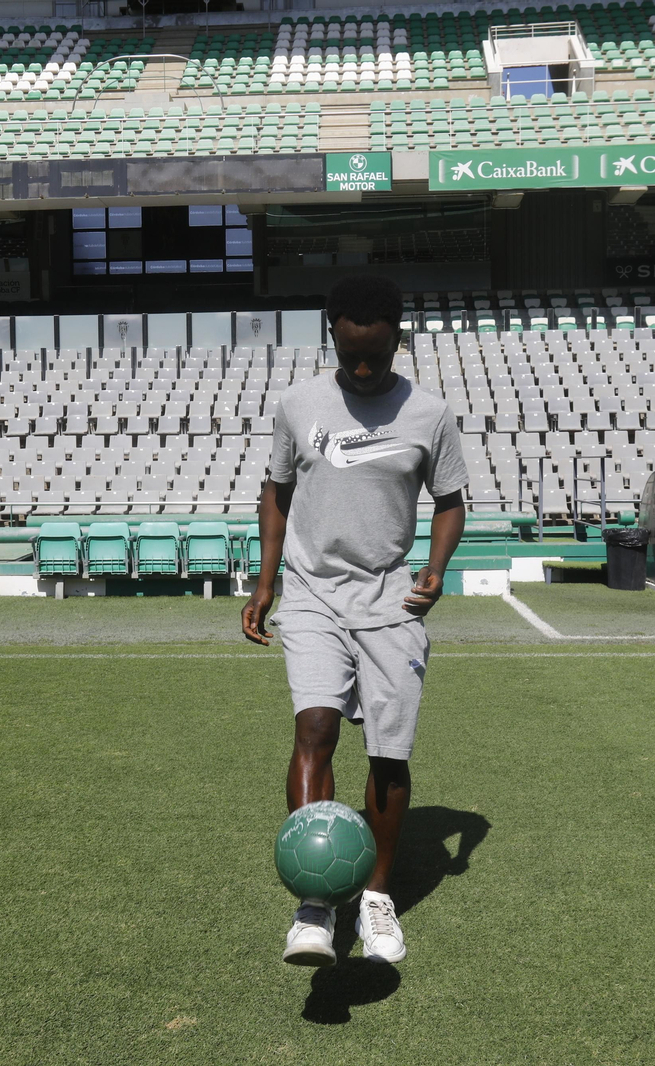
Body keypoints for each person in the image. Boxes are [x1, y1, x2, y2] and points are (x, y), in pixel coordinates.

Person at [242, 274, 467, 967]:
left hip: (390, 600)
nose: (364, 368)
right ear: (332, 333)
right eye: (351, 353)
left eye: (377, 355)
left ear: (399, 338)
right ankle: (313, 904)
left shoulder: (430, 414)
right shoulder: (299, 403)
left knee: (388, 757)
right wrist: (266, 580)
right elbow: (275, 493)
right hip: (313, 592)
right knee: (315, 727)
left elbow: (451, 500)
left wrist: (435, 567)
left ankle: (374, 897)